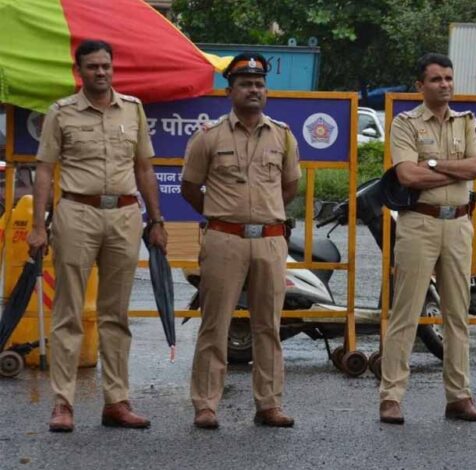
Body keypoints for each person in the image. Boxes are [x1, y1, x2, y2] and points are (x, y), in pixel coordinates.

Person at [28, 39, 168, 432]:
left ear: (113, 67)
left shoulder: (133, 109)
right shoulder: (61, 112)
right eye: (93, 66)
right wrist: (38, 226)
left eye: (106, 65)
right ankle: (63, 403)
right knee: (68, 312)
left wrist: (157, 220)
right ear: (80, 71)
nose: (101, 72)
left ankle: (117, 402)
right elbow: (44, 171)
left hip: (124, 215)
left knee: (116, 314)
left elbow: (144, 168)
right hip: (76, 212)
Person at [181, 53, 300, 430]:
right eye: (245, 84)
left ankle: (269, 404)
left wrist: (264, 215)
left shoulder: (283, 135)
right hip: (224, 239)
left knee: (268, 325)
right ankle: (206, 404)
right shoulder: (208, 136)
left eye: (259, 84)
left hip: (269, 240)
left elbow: (290, 185)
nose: (254, 90)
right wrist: (221, 215)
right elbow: (189, 187)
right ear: (229, 91)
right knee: (215, 324)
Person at [378, 53, 476, 424]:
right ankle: (391, 397)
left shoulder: (467, 122)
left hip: (458, 224)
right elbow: (407, 176)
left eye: (448, 78)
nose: (444, 85)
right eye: (436, 79)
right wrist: (456, 171)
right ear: (420, 85)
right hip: (419, 223)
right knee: (406, 313)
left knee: (457, 314)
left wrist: (431, 164)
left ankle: (459, 397)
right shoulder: (405, 123)